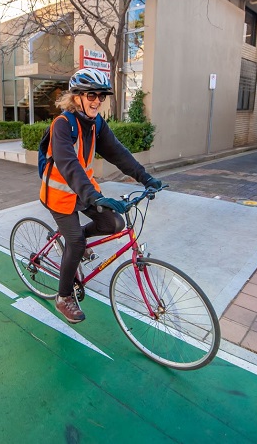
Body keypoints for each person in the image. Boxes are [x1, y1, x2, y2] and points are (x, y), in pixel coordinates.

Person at [40, 68, 162, 324]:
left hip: (83, 191)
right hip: (60, 194)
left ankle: (76, 245)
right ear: (77, 97)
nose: (97, 100)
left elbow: (118, 153)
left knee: (113, 223)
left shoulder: (96, 123)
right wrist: (94, 196)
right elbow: (68, 163)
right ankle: (63, 297)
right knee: (75, 242)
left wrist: (145, 177)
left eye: (102, 95)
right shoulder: (61, 124)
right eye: (91, 94)